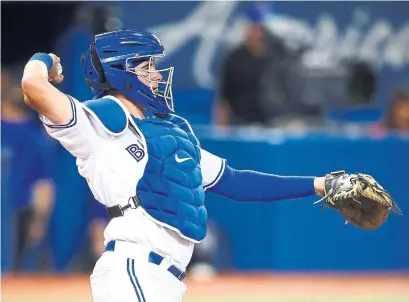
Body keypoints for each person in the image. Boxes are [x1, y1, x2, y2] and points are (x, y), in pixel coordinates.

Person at [22, 29, 329, 302]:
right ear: (120, 73)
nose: (156, 75)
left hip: (166, 278)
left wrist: (318, 184)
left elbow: (235, 182)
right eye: (146, 67)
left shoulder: (171, 131)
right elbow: (33, 87)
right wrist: (43, 59)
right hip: (132, 269)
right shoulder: (102, 118)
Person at [1, 69, 55, 271]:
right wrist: (39, 221)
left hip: (15, 215)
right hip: (21, 213)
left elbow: (43, 186)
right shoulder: (38, 138)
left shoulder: (35, 138)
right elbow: (44, 188)